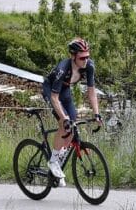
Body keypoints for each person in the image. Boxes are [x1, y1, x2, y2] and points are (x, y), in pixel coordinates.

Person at [41, 38, 101, 186]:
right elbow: (54, 98)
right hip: (51, 91)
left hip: (65, 91)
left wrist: (97, 113)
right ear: (73, 56)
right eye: (82, 57)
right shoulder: (63, 68)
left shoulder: (89, 67)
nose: (86, 60)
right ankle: (54, 161)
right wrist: (63, 117)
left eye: (87, 56)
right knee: (64, 122)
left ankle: (59, 160)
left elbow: (91, 92)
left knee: (72, 127)